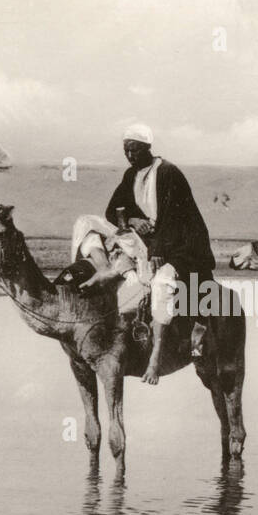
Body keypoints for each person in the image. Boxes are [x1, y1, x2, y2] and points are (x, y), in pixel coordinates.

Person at [70, 124, 214, 384]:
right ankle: (106, 269)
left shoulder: (169, 173)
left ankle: (155, 359)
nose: (130, 155)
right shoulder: (131, 174)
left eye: (134, 150)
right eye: (126, 150)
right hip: (143, 239)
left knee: (161, 284)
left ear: (147, 148)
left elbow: (175, 218)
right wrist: (134, 220)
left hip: (179, 245)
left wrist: (160, 251)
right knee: (85, 222)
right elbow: (112, 210)